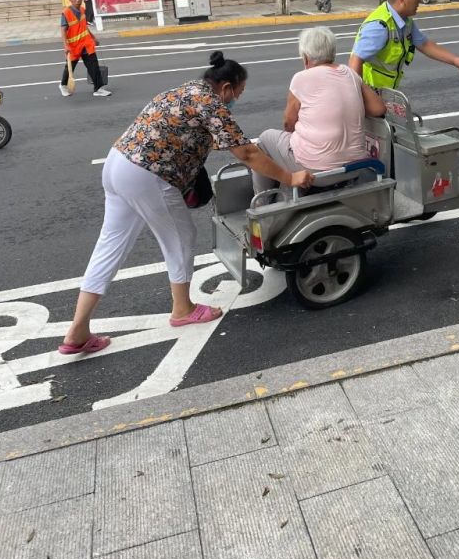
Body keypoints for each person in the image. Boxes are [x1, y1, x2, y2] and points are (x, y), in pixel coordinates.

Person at [58, 52, 313, 355]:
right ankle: (183, 310)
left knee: (110, 245)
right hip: (148, 174)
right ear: (227, 88)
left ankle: (78, 329)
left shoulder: (183, 90)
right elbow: (247, 154)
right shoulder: (211, 103)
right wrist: (291, 177)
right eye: (239, 93)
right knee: (180, 238)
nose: (237, 100)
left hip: (117, 164)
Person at [253, 27, 386, 196]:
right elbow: (378, 108)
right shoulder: (350, 74)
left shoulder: (301, 78)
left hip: (315, 172)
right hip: (354, 168)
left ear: (306, 57)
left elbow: (288, 123)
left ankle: (261, 203)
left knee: (265, 139)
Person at [349, 0, 459, 89]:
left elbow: (424, 44)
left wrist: (455, 60)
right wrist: (361, 96)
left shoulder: (405, 21)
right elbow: (355, 60)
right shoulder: (380, 26)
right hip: (371, 93)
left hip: (386, 93)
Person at [59, 0, 112, 97]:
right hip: (74, 46)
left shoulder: (83, 10)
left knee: (94, 66)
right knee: (70, 68)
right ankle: (63, 85)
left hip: (86, 44)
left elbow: (84, 27)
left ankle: (98, 88)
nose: (78, 0)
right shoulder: (66, 13)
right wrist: (66, 45)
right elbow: (63, 30)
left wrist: (93, 37)